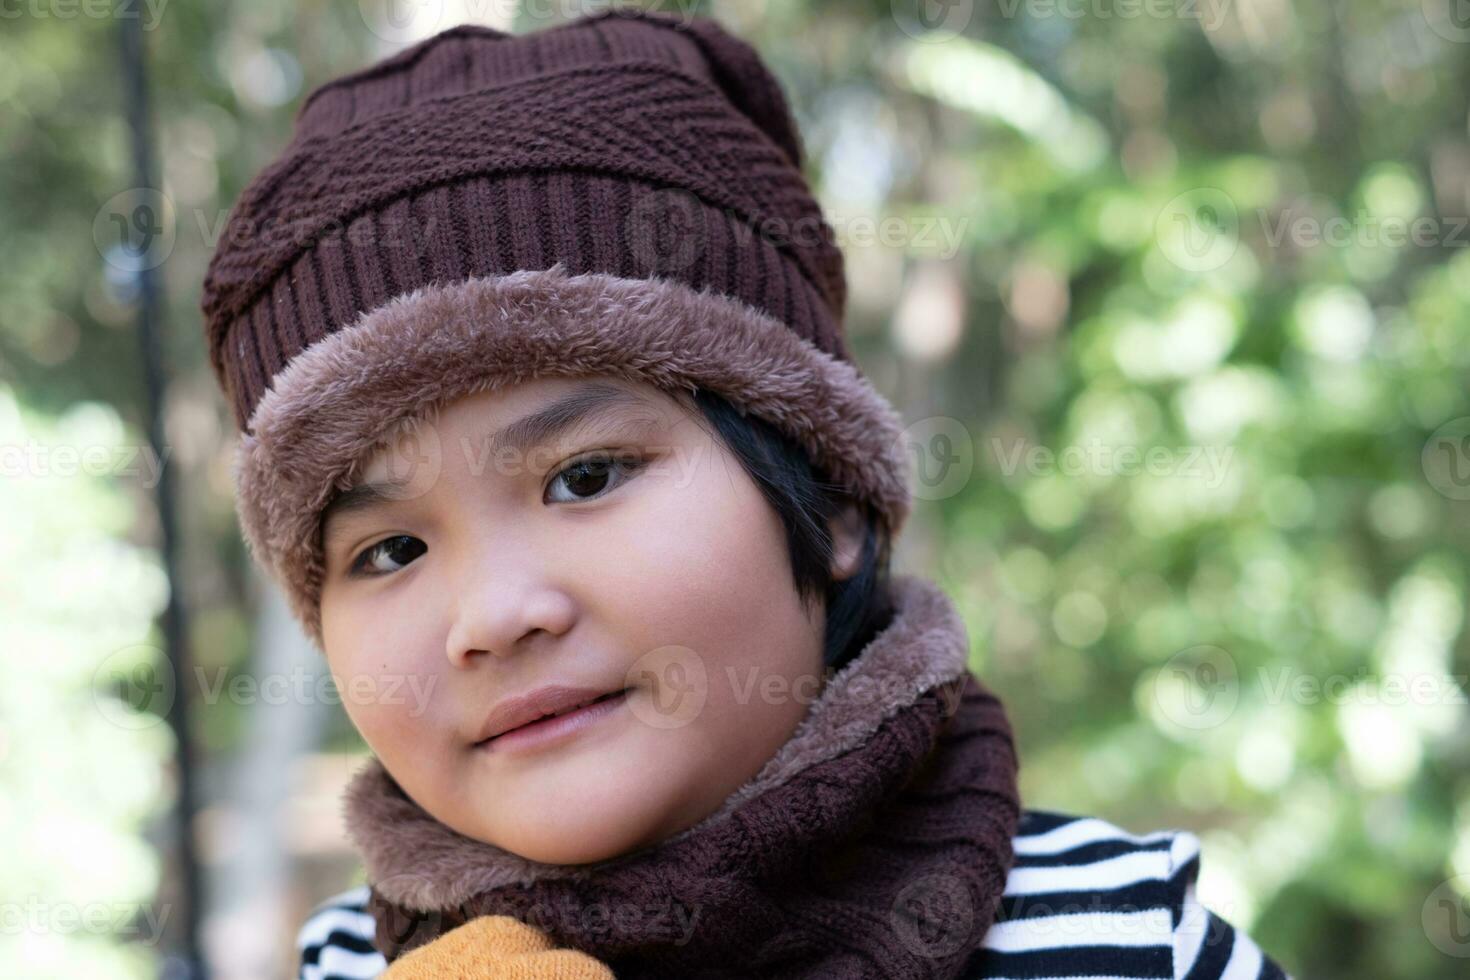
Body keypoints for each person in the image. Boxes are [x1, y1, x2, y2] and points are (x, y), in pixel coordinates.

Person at [200, 8, 1293, 978]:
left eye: (583, 477)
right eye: (388, 549)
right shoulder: (349, 960)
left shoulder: (1126, 939)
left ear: (833, 502)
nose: (492, 615)